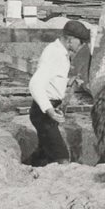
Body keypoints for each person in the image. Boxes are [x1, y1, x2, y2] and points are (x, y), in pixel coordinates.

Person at [27, 20, 91, 166]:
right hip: (44, 113)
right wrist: (49, 110)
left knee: (44, 152)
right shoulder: (54, 54)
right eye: (80, 42)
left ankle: (30, 171)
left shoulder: (61, 52)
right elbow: (35, 84)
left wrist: (67, 81)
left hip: (47, 110)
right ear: (70, 39)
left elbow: (53, 78)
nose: (82, 46)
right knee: (62, 157)